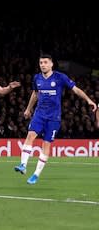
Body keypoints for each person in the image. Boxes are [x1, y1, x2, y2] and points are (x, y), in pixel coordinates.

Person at [14, 54, 97, 184]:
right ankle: (23, 165)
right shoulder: (37, 78)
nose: (43, 65)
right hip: (39, 114)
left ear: (51, 64)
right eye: (41, 62)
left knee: (46, 144)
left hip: (53, 118)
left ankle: (36, 174)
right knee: (30, 136)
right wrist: (28, 109)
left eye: (45, 62)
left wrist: (88, 100)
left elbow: (75, 90)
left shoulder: (60, 77)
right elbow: (35, 94)